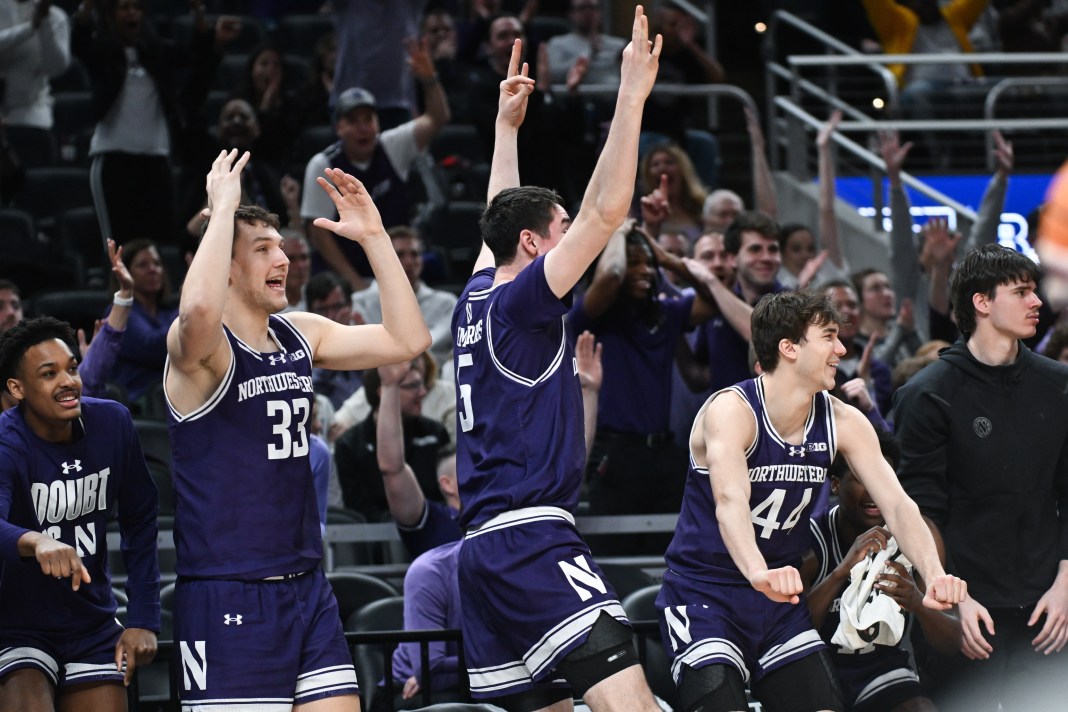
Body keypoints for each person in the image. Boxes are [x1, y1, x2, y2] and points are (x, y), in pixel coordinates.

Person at [163, 149, 430, 709]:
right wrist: (224, 208)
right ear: (226, 267)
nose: (281, 257)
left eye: (280, 246)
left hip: (307, 587)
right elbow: (197, 314)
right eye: (262, 249)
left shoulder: (299, 334)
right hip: (228, 594)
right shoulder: (200, 353)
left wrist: (375, 237)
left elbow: (408, 341)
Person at [451, 11, 663, 709]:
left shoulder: (478, 296)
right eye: (560, 231)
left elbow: (497, 220)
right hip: (530, 539)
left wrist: (505, 132)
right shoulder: (522, 304)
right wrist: (630, 96)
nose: (572, 238)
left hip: (480, 551)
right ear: (537, 247)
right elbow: (606, 211)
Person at [656, 289, 967, 712]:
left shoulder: (843, 419)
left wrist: (934, 575)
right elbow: (730, 501)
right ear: (788, 348)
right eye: (829, 336)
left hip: (778, 606)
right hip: (705, 593)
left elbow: (898, 504)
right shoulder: (732, 411)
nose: (841, 348)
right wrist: (757, 571)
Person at [893, 244, 1068, 711]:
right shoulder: (926, 396)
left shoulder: (1059, 385)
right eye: (1022, 292)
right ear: (982, 302)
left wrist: (1066, 584)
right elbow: (918, 512)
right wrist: (951, 599)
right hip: (966, 610)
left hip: (1049, 608)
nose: (1037, 302)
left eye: (1035, 291)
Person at [0, 316, 160, 711]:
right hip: (16, 624)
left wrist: (143, 617)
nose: (68, 381)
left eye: (72, 368)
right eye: (49, 373)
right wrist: (34, 540)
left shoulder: (113, 422)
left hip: (90, 621)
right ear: (17, 389)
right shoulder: (6, 443)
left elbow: (140, 519)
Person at [805, 428, 960, 712]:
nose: (875, 490)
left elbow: (953, 641)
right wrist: (841, 571)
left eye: (883, 479)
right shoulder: (810, 540)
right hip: (814, 668)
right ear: (836, 484)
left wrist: (919, 604)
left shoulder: (918, 536)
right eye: (863, 479)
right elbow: (790, 632)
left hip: (879, 669)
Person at [300, 36, 450, 291]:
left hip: (393, 267)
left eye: (368, 119)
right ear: (339, 128)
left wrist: (429, 78)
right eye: (353, 121)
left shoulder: (391, 146)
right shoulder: (323, 164)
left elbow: (438, 117)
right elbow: (319, 235)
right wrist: (356, 284)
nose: (363, 128)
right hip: (348, 276)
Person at [334, 353, 449, 521]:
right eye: (413, 386)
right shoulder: (350, 444)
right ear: (384, 391)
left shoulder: (435, 432)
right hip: (375, 540)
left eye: (422, 384)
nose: (423, 392)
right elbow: (359, 510)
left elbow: (447, 495)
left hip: (433, 531)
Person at [352, 225, 458, 369]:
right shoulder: (359, 302)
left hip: (434, 383)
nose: (409, 262)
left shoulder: (446, 304)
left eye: (414, 254)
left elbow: (421, 347)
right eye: (400, 254)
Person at [102, 239, 179, 403]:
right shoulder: (119, 313)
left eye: (157, 264)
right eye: (143, 265)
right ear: (125, 272)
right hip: (139, 401)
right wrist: (190, 305)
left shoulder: (167, 313)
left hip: (172, 394)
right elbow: (151, 346)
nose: (153, 270)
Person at [0, 0, 70, 148]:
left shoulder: (56, 17)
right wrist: (30, 27)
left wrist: (44, 23)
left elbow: (56, 68)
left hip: (32, 117)